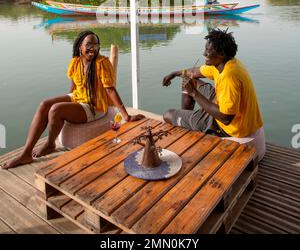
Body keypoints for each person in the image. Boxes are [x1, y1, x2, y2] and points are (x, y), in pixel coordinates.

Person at [1, 30, 144, 169]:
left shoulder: (102, 63)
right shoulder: (76, 62)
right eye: (89, 45)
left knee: (56, 110)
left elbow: (110, 90)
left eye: (96, 45)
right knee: (45, 104)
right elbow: (73, 88)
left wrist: (126, 116)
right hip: (78, 97)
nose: (92, 48)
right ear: (80, 47)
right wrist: (67, 106)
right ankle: (26, 153)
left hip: (94, 105)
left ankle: (50, 144)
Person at [162, 28, 265, 161]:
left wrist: (193, 93)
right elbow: (195, 72)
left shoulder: (229, 77)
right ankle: (189, 121)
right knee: (188, 78)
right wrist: (175, 73)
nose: (204, 53)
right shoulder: (226, 63)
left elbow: (226, 118)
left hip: (231, 128)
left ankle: (189, 122)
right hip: (229, 112)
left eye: (208, 51)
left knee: (168, 115)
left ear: (221, 53)